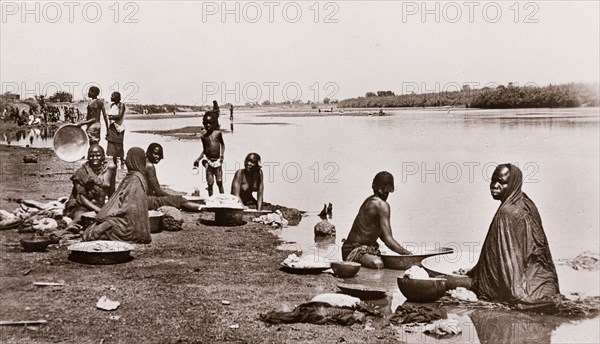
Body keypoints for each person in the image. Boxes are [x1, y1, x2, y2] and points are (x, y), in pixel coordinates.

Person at [468, 164, 560, 311]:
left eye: (502, 182)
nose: (494, 186)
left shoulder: (506, 213)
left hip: (518, 283)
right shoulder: (526, 202)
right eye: (493, 181)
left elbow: (508, 258)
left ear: (513, 184)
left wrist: (514, 292)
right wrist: (475, 270)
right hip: (545, 282)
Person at [341, 171, 411, 269]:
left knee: (383, 257)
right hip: (353, 251)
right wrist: (408, 254)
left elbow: (380, 235)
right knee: (378, 264)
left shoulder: (370, 200)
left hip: (348, 249)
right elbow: (388, 240)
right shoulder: (382, 206)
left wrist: (400, 250)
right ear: (387, 190)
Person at [83, 147, 151, 244]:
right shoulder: (133, 177)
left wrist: (110, 213)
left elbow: (128, 208)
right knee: (96, 227)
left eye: (127, 157)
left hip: (129, 226)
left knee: (95, 231)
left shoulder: (135, 180)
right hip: (128, 221)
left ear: (133, 160)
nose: (125, 159)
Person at [63, 144, 116, 229]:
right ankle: (71, 226)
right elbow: (81, 198)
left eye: (98, 155)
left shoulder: (111, 169)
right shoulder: (81, 172)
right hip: (83, 207)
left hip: (101, 206)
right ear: (88, 157)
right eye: (91, 156)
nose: (95, 158)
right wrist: (99, 211)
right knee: (81, 217)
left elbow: (112, 192)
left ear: (103, 156)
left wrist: (112, 207)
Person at [145, 143, 204, 212]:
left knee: (177, 199)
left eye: (160, 155)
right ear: (148, 152)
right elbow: (158, 191)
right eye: (155, 154)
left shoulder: (142, 162)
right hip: (147, 201)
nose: (158, 157)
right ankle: (206, 208)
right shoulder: (149, 166)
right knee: (180, 200)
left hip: (142, 198)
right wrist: (171, 197)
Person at [194, 112, 225, 196]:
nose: (208, 125)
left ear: (214, 123)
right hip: (208, 162)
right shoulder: (203, 137)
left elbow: (222, 144)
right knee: (210, 183)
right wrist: (198, 159)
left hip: (218, 161)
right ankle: (211, 198)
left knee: (219, 182)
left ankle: (223, 198)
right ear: (203, 124)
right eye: (206, 123)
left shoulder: (218, 133)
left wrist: (222, 156)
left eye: (210, 123)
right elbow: (205, 150)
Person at [106, 91, 126, 168]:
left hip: (119, 127)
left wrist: (111, 117)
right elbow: (110, 119)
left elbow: (120, 116)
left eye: (112, 96)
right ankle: (115, 162)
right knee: (112, 144)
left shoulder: (121, 105)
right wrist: (108, 129)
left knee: (119, 144)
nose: (111, 97)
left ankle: (122, 161)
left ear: (117, 97)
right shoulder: (112, 105)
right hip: (112, 127)